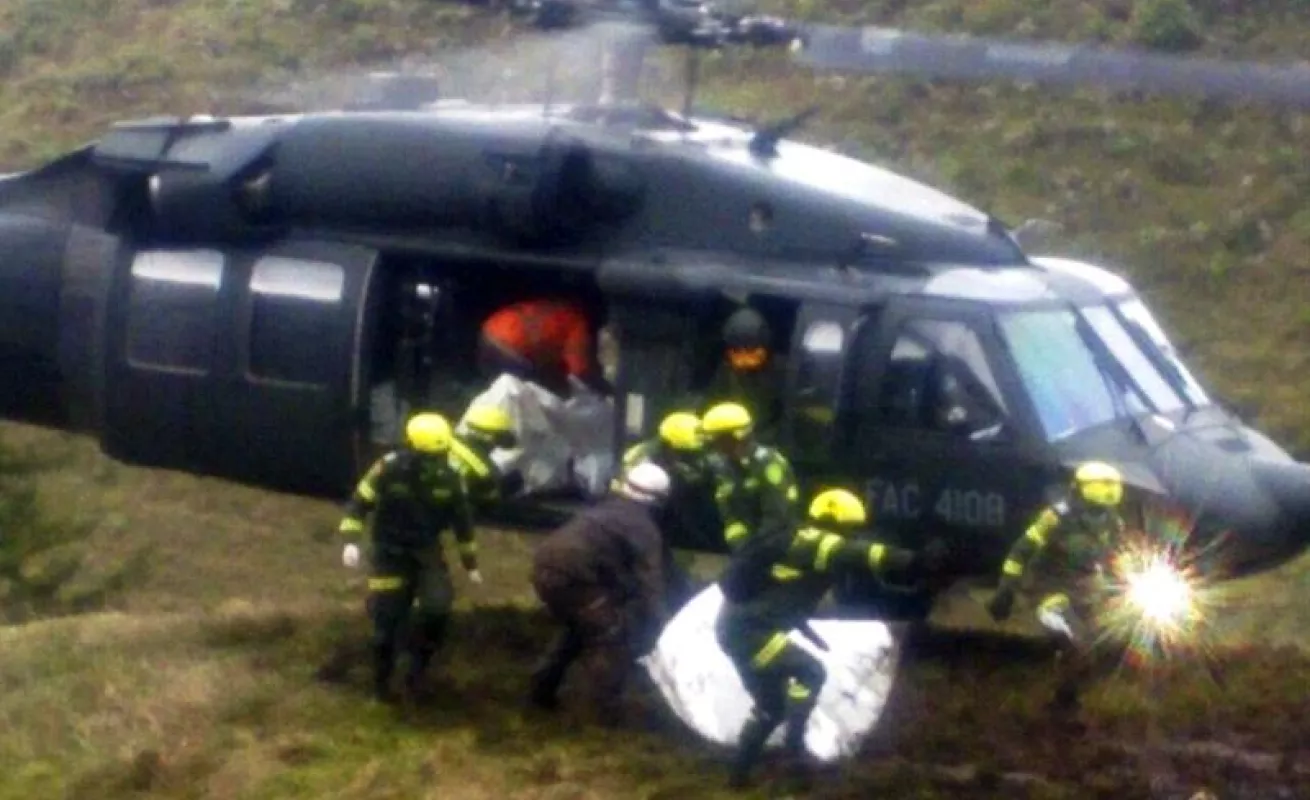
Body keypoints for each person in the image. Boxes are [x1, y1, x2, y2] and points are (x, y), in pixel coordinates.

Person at [715, 488, 922, 789]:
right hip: (750, 634)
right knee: (810, 672)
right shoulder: (815, 542)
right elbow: (861, 553)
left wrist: (799, 624)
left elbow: (781, 592)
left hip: (738, 630)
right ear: (833, 522)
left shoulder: (798, 538)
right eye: (849, 528)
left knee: (771, 706)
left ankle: (737, 779)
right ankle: (794, 751)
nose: (852, 535)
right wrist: (914, 560)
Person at [337, 412, 483, 703]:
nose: (436, 462)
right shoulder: (387, 469)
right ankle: (381, 687)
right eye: (430, 457)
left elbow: (463, 524)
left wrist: (471, 565)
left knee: (438, 608)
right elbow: (359, 503)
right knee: (386, 623)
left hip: (426, 551)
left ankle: (417, 671)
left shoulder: (451, 477)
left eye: (440, 455)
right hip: (388, 552)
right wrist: (350, 541)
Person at [528, 461, 672, 726]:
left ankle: (540, 690)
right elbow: (650, 582)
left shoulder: (607, 507)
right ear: (658, 500)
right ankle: (600, 713)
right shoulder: (643, 528)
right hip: (574, 578)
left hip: (544, 568)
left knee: (579, 627)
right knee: (611, 635)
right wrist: (663, 623)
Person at [985, 461, 1127, 717]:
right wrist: (1006, 590)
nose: (1108, 493)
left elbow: (1117, 559)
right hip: (1050, 590)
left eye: (1112, 486)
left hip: (1088, 592)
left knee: (1104, 646)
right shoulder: (1055, 517)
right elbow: (1020, 552)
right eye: (1103, 486)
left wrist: (1124, 584)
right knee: (1078, 644)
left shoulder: (1113, 522)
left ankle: (1066, 697)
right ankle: (1061, 706)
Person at [621, 411, 716, 609]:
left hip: (671, 516)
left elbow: (697, 474)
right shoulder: (638, 461)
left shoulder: (681, 456)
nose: (690, 458)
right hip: (640, 516)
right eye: (685, 453)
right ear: (668, 446)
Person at [700, 401, 800, 553]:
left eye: (716, 439)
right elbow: (728, 511)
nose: (713, 445)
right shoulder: (723, 466)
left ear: (735, 437)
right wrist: (739, 542)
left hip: (776, 544)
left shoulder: (768, 464)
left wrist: (752, 550)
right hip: (747, 545)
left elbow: (777, 517)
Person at [477, 298, 610, 397]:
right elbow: (578, 371)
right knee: (532, 392)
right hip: (511, 345)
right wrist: (603, 390)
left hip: (489, 330)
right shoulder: (578, 324)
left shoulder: (556, 308)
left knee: (496, 385)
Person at [700, 307, 783, 440]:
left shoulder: (781, 370)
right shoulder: (725, 372)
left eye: (751, 351)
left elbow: (787, 413)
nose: (744, 359)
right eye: (737, 352)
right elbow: (712, 406)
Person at [453, 404, 524, 508]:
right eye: (499, 437)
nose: (497, 444)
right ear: (489, 436)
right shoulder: (483, 466)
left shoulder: (454, 442)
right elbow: (492, 501)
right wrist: (505, 486)